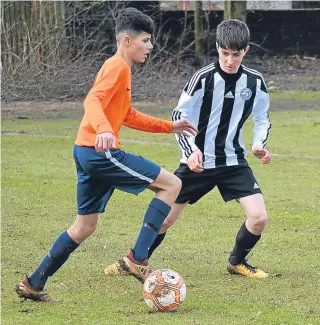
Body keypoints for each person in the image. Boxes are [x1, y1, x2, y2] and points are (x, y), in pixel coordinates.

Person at [15, 7, 197, 302]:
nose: (150, 46)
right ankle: (137, 259)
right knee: (172, 185)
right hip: (100, 152)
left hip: (85, 152)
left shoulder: (119, 68)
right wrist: (103, 129)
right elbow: (92, 99)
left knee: (84, 226)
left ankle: (33, 283)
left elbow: (127, 114)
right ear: (127, 41)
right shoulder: (118, 67)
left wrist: (169, 126)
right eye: (146, 40)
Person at [105, 19, 274, 279]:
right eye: (225, 53)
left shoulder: (255, 82)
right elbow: (179, 114)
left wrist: (259, 144)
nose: (230, 60)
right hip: (198, 162)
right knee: (164, 220)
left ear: (246, 51)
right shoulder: (203, 78)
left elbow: (262, 118)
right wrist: (192, 150)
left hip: (233, 162)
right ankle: (134, 261)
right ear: (217, 47)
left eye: (236, 54)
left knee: (259, 218)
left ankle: (237, 262)